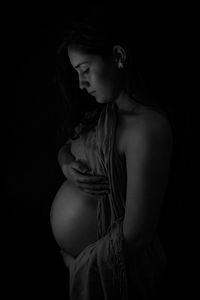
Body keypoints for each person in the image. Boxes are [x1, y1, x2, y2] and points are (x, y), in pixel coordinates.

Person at [50, 10, 173, 300]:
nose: (81, 83)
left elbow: (136, 236)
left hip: (115, 276)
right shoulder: (107, 111)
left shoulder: (147, 129)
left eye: (85, 69)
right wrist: (66, 164)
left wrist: (78, 267)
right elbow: (67, 148)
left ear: (118, 56)